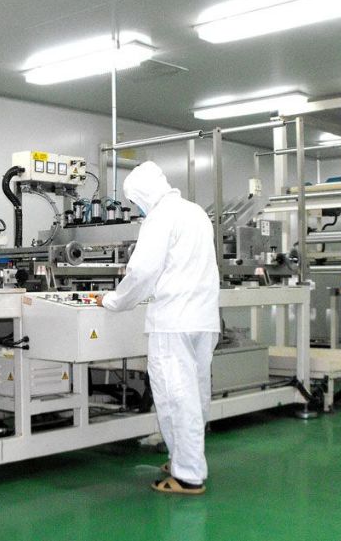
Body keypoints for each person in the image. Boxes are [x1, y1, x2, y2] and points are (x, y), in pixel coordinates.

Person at [96, 161, 220, 495]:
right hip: (204, 318)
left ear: (142, 195)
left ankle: (188, 474)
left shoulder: (160, 217)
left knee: (175, 396)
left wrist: (113, 300)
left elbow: (142, 272)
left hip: (173, 320)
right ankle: (186, 458)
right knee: (195, 393)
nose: (137, 208)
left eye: (135, 201)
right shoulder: (195, 212)